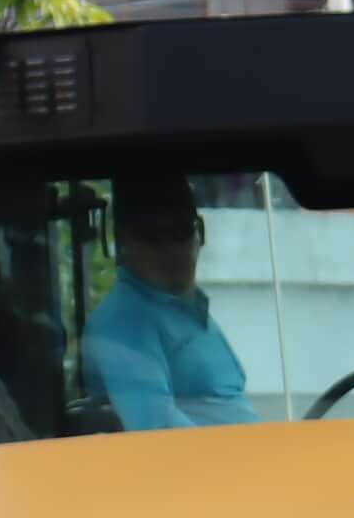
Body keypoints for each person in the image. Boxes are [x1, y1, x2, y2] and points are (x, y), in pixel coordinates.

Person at [83, 177, 255, 430]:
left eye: (179, 232)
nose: (169, 249)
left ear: (200, 234)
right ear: (123, 242)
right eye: (151, 236)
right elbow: (160, 435)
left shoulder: (190, 310)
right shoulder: (123, 322)